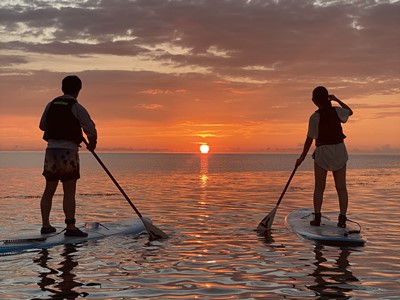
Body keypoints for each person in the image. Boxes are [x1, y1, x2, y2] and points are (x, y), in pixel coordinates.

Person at [39, 75, 97, 237]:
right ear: (78, 90)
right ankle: (71, 227)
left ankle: (46, 226)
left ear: (62, 88)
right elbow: (90, 129)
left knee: (49, 189)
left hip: (51, 152)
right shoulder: (77, 107)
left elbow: (42, 126)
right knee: (69, 190)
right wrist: (92, 144)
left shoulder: (50, 105)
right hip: (68, 153)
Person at [296, 86, 353, 228]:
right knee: (341, 188)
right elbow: (350, 112)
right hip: (339, 151)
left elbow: (309, 140)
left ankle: (317, 219)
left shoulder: (314, 117)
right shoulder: (337, 111)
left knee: (319, 187)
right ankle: (342, 220)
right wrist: (336, 99)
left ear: (314, 100)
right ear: (327, 98)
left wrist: (301, 158)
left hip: (323, 154)